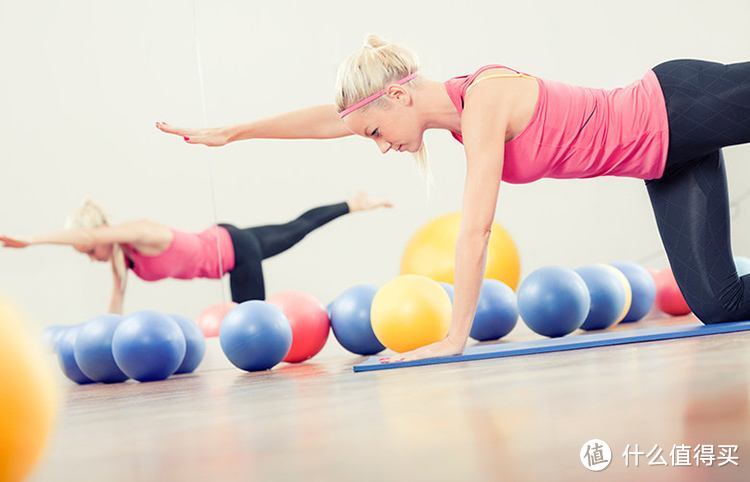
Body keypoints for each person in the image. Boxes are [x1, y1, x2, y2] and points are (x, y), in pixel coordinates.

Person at [156, 34, 750, 362]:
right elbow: (331, 120)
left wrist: (453, 337)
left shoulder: (486, 98)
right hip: (666, 162)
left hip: (675, 105)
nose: (381, 148)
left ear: (397, 96)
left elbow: (476, 229)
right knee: (720, 304)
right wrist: (235, 132)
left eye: (375, 134)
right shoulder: (448, 116)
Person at [0, 192, 392, 314]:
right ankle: (352, 204)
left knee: (249, 319)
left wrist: (31, 240)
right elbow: (117, 299)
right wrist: (110, 339)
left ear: (97, 234)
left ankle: (352, 204)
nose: (88, 256)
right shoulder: (123, 259)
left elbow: (86, 236)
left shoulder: (141, 232)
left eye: (87, 250)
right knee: (294, 229)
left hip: (234, 250)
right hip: (229, 240)